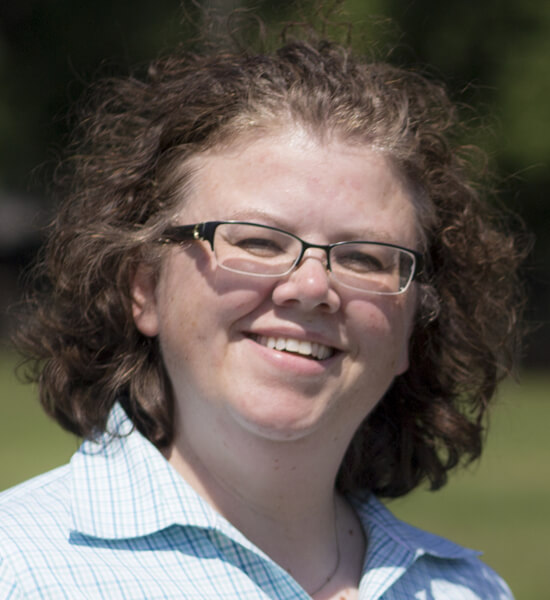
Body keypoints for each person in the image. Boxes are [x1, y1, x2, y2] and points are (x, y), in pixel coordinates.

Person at [0, 20, 525, 600]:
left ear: (413, 327)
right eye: (256, 242)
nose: (311, 286)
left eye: (365, 257)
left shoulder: (468, 590)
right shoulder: (20, 569)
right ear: (144, 287)